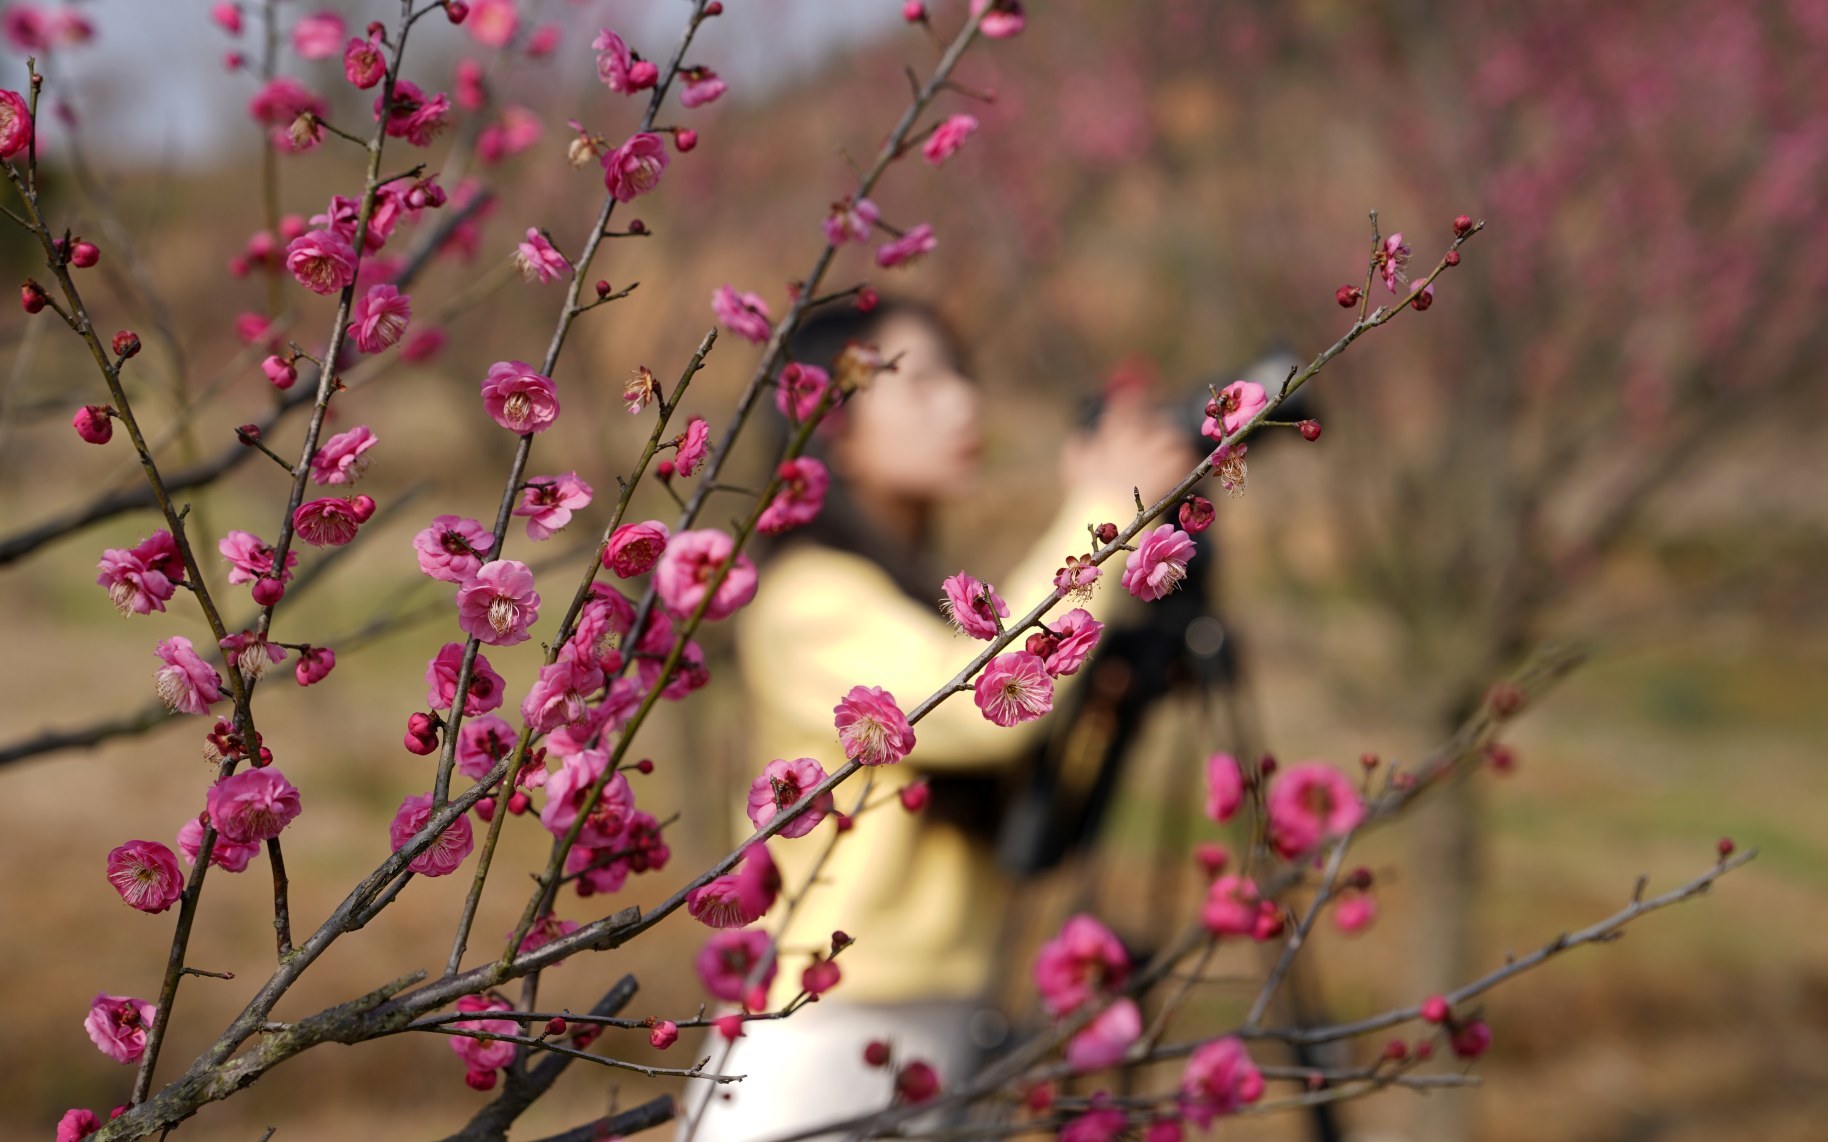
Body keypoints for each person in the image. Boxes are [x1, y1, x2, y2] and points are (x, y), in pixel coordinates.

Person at [684, 300, 1194, 1140]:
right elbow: (982, 711)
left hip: (937, 1024)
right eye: (919, 382)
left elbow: (1034, 799)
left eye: (962, 375)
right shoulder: (806, 599)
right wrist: (1104, 513)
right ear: (829, 424)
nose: (963, 403)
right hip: (816, 1039)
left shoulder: (915, 604)